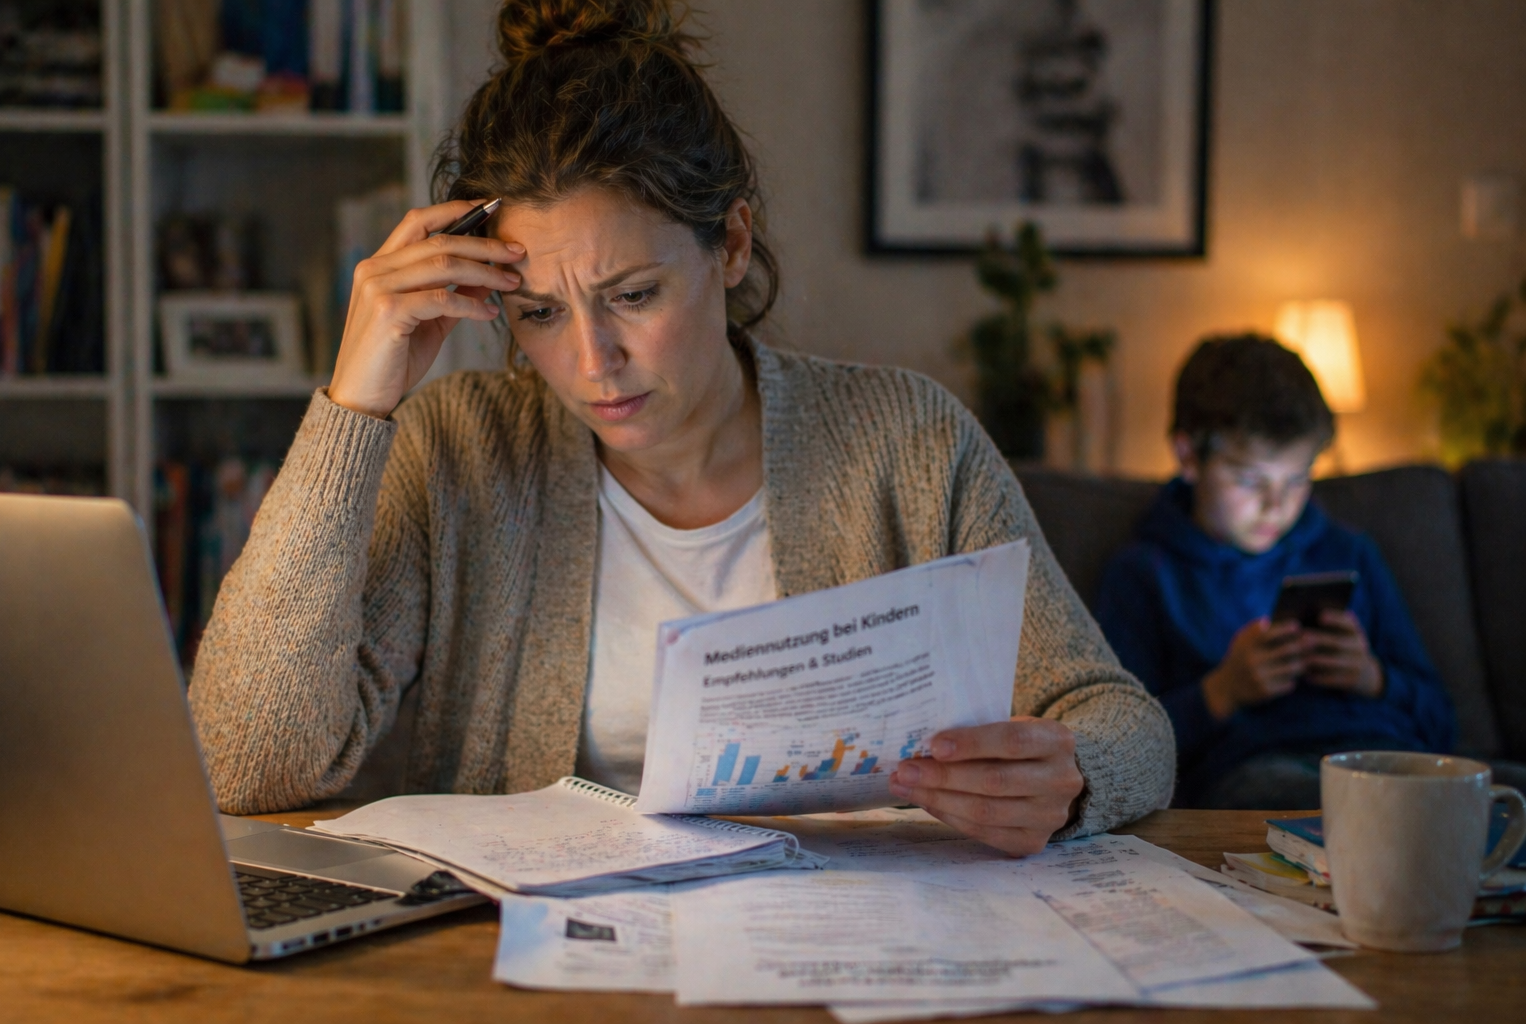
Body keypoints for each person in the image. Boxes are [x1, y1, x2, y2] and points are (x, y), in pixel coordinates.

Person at [188, 0, 1174, 855]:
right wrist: (355, 401)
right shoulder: (458, 451)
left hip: (836, 955)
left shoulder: (905, 439)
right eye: (538, 313)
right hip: (530, 969)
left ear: (731, 244)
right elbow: (248, 761)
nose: (590, 359)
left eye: (632, 294)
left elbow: (1124, 721)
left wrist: (1072, 777)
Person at [1096, 334, 1454, 810]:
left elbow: (1444, 723)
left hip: (1386, 756)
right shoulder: (1144, 574)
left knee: (1487, 793)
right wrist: (1221, 692)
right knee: (1354, 805)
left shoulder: (1349, 552)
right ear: (1187, 456)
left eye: (1298, 478)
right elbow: (1113, 748)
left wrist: (1374, 678)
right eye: (1250, 480)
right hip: (1257, 770)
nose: (1276, 506)